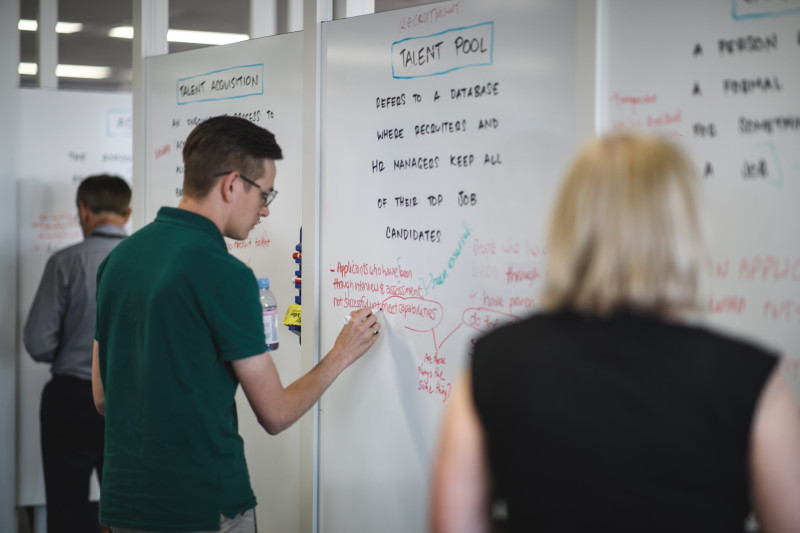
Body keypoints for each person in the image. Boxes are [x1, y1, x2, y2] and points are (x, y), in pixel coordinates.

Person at [430, 133, 800, 533]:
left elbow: (451, 524)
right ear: (685, 232)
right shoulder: (752, 380)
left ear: (568, 226)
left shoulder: (491, 364)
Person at [91, 115, 380, 532]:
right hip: (203, 507)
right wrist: (341, 354)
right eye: (265, 193)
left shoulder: (119, 259)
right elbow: (276, 414)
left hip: (126, 506)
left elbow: (102, 396)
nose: (264, 208)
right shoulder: (223, 273)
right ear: (231, 184)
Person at [24, 174, 132, 533]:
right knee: (127, 508)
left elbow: (38, 343)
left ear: (83, 211)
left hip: (70, 399)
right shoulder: (144, 263)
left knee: (66, 506)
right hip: (129, 399)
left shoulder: (64, 263)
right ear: (128, 213)